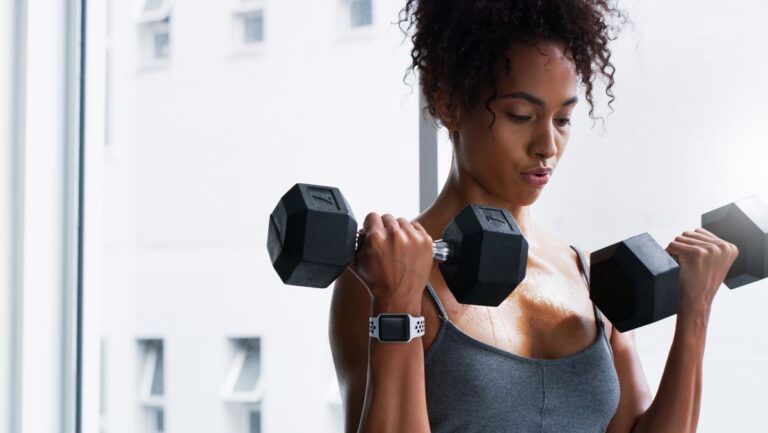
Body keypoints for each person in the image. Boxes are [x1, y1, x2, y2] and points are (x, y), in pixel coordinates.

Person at [329, 1, 739, 432]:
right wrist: (395, 304)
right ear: (448, 103)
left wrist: (695, 310)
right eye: (520, 116)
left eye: (563, 119)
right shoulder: (383, 275)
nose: (548, 145)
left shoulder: (585, 275)